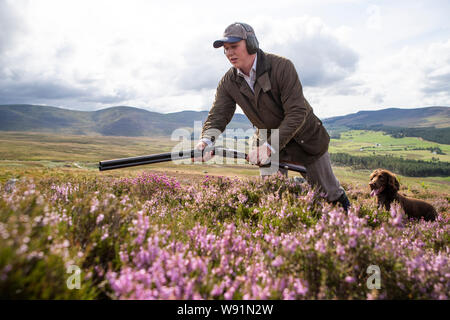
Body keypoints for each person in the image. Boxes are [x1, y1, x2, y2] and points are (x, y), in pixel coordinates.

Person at [194, 22, 350, 212]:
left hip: (306, 138)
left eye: (234, 47)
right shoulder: (229, 82)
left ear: (251, 44)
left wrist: (268, 147)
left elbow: (297, 112)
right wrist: (205, 141)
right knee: (272, 196)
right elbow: (218, 114)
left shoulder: (282, 67)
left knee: (330, 194)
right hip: (266, 140)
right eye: (226, 49)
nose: (229, 53)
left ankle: (355, 226)